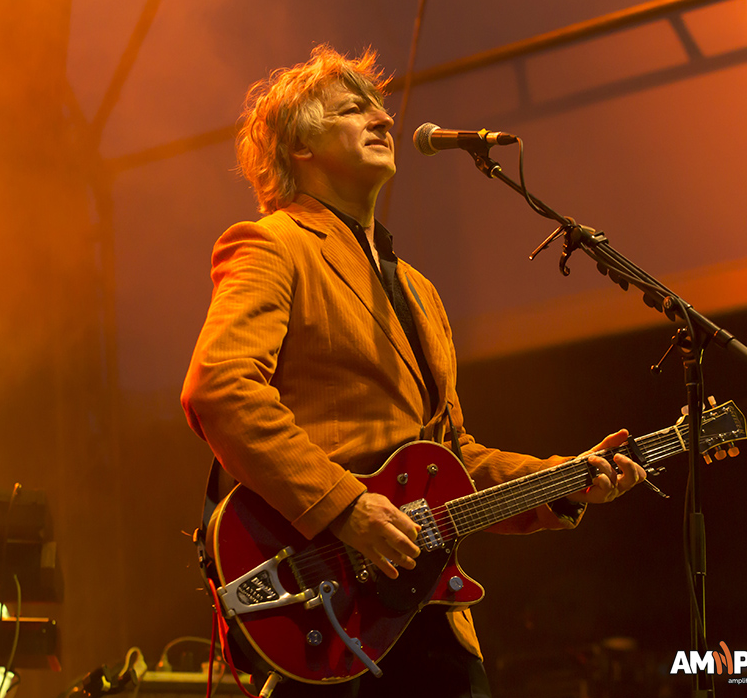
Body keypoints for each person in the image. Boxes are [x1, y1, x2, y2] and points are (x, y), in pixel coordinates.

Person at [180, 45, 647, 697]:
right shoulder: (272, 244)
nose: (382, 119)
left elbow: (449, 456)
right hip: (326, 598)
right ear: (299, 148)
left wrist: (562, 482)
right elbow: (221, 390)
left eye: (380, 108)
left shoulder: (420, 291)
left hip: (429, 611)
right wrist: (346, 509)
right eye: (352, 109)